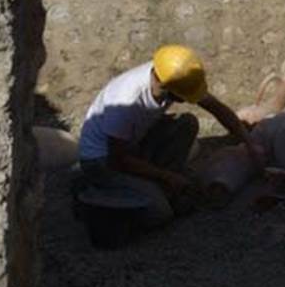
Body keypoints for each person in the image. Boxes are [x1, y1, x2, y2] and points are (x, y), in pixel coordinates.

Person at [78, 44, 263, 228]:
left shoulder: (172, 75)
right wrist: (166, 177)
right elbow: (118, 159)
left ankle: (159, 185)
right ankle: (95, 195)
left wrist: (249, 143)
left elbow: (216, 107)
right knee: (160, 213)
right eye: (183, 95)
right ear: (164, 86)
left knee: (187, 124)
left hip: (131, 144)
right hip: (101, 159)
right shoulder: (125, 101)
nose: (187, 99)